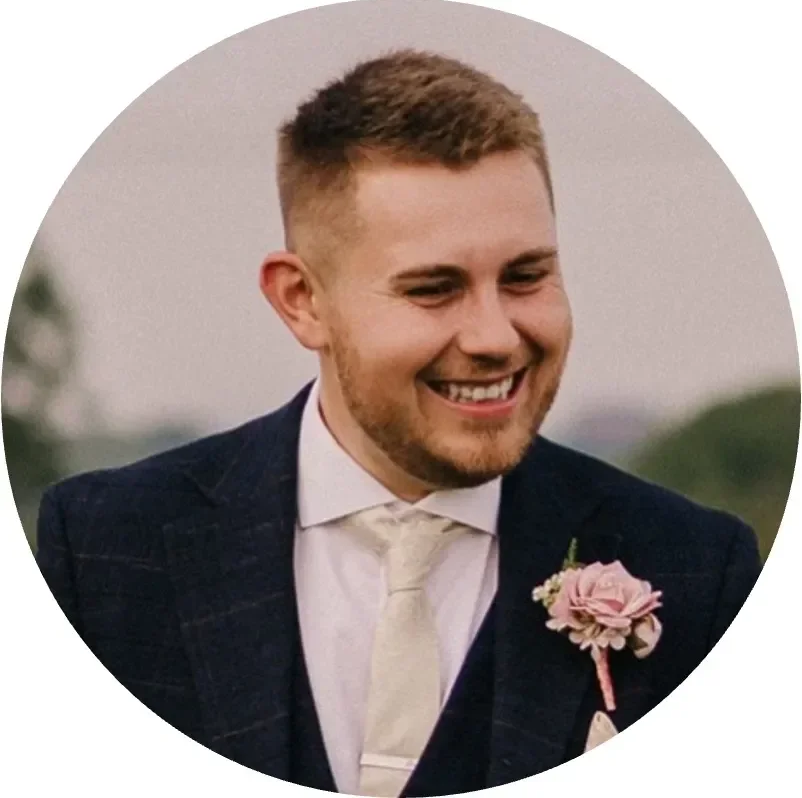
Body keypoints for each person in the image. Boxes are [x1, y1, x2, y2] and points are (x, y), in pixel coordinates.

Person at [36, 50, 761, 796]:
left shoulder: (699, 574)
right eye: (434, 289)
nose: (494, 335)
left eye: (525, 276)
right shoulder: (105, 553)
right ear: (301, 301)